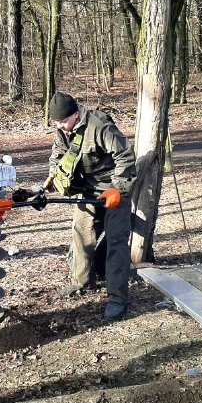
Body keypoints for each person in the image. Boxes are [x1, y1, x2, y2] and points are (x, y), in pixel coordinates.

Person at [43, 92, 136, 320]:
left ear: (76, 114)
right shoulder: (63, 130)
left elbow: (125, 155)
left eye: (64, 121)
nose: (61, 126)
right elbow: (58, 155)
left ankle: (117, 298)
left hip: (114, 189)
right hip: (87, 191)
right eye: (57, 123)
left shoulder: (99, 126)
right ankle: (82, 282)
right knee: (81, 232)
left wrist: (118, 188)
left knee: (116, 242)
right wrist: (54, 177)